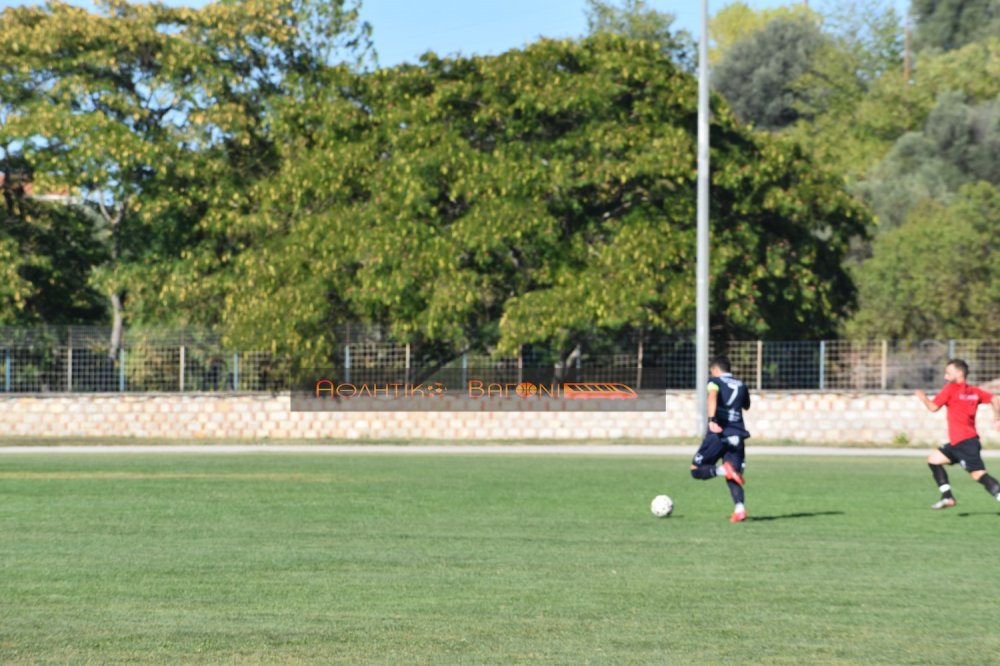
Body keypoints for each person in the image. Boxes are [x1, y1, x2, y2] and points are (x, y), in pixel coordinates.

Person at [915, 358, 1000, 510]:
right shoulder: (973, 391)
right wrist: (997, 419)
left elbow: (933, 407)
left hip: (965, 442)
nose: (945, 377)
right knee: (934, 459)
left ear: (959, 373)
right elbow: (994, 399)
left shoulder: (950, 389)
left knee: (979, 474)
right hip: (960, 442)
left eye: (948, 373)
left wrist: (923, 398)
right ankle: (947, 497)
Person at [690, 356, 751, 523]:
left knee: (695, 469)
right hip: (738, 434)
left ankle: (722, 470)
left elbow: (712, 396)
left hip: (719, 433)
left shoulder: (714, 381)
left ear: (716, 370)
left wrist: (711, 420)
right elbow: (746, 406)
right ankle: (740, 509)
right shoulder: (741, 385)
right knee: (734, 475)